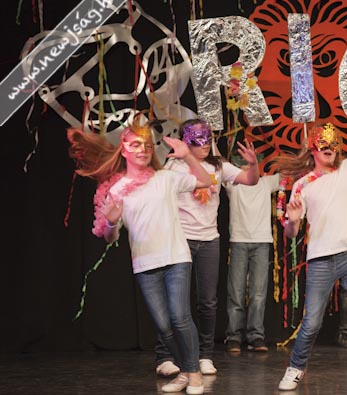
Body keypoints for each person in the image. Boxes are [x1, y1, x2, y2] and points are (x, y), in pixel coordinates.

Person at [67, 114, 212, 394]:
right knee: (162, 324)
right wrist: (111, 223)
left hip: (176, 257)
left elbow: (205, 181)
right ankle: (185, 371)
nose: (143, 150)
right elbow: (110, 237)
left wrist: (187, 156)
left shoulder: (166, 178)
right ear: (123, 150)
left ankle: (194, 374)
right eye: (135, 145)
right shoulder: (117, 189)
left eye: (147, 145)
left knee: (180, 317)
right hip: (145, 263)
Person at [275, 104, 347, 394]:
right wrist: (293, 220)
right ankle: (295, 368)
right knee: (312, 321)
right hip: (320, 258)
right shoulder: (303, 184)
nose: (329, 148)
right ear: (313, 148)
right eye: (323, 144)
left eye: (332, 144)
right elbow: (291, 234)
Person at [156, 119, 259, 376]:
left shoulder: (218, 166)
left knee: (208, 302)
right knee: (176, 301)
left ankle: (205, 355)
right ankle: (165, 356)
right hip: (180, 239)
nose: (204, 145)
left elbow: (250, 180)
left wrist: (253, 164)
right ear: (185, 142)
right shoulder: (174, 166)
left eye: (208, 139)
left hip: (209, 240)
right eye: (198, 140)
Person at [224, 170, 280, 353]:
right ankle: (234, 336)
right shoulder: (233, 182)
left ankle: (256, 336)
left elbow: (292, 172)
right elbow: (216, 164)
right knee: (236, 292)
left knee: (258, 293)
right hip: (239, 241)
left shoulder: (266, 182)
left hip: (262, 242)